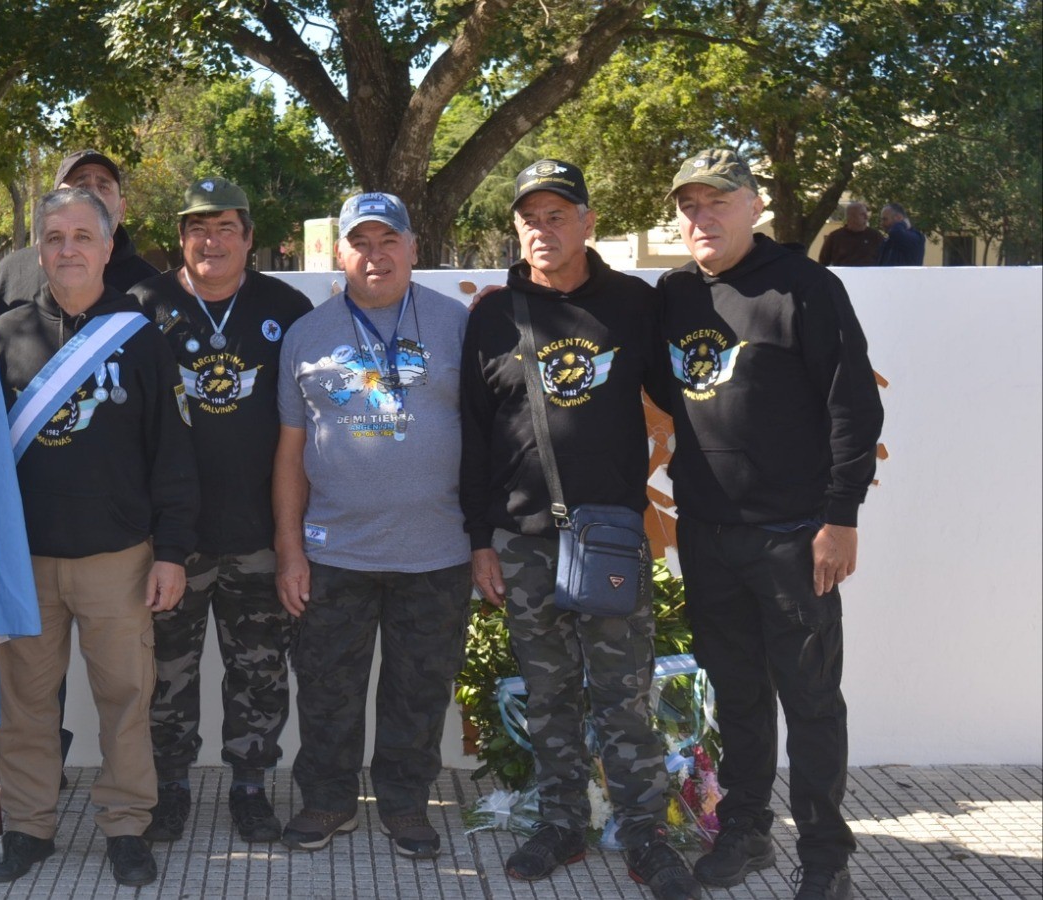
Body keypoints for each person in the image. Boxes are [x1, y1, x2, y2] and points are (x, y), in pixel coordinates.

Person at [461, 160, 699, 899]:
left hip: (609, 540)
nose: (542, 228)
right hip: (525, 542)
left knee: (622, 694)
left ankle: (645, 835)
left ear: (588, 223)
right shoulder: (494, 315)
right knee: (548, 692)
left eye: (557, 214)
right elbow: (475, 437)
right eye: (529, 217)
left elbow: (687, 398)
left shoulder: (632, 304)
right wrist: (479, 540)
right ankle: (560, 823)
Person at [660, 148, 883, 900]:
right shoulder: (673, 294)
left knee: (811, 701)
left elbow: (854, 404)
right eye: (690, 204)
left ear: (754, 206)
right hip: (708, 533)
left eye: (718, 201)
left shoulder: (806, 286)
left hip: (794, 536)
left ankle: (824, 858)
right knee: (738, 696)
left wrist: (841, 519)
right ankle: (747, 832)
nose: (703, 216)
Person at [0, 188, 198, 887]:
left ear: (108, 247)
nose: (68, 249)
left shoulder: (141, 337)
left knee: (127, 700)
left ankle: (128, 824)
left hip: (119, 559)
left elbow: (173, 456)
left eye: (83, 236)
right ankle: (28, 826)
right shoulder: (3, 334)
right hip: (25, 560)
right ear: (37, 248)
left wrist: (170, 553)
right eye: (54, 237)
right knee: (25, 703)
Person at [273, 192, 471, 860]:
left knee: (418, 692)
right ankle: (327, 800)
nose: (376, 254)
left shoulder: (458, 325)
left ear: (415, 249)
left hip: (437, 552)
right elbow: (291, 452)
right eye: (362, 242)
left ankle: (407, 805)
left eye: (390, 241)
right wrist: (289, 549)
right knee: (327, 690)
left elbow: (491, 438)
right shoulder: (307, 335)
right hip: (335, 552)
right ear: (340, 253)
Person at [128, 177, 312, 845]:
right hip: (170, 537)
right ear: (180, 239)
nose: (212, 240)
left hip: (259, 532)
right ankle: (170, 786)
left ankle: (251, 787)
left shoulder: (286, 308)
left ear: (249, 237)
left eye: (226, 227)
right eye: (198, 228)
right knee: (167, 674)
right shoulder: (142, 305)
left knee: (260, 670)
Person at [0, 149, 158, 321]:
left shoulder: (152, 288)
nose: (93, 194)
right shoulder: (10, 276)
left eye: (104, 186)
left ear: (122, 209)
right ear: (54, 201)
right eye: (80, 186)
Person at [816, 202, 883, 267]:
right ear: (851, 216)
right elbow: (823, 262)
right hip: (843, 276)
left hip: (869, 276)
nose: (866, 217)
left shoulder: (875, 236)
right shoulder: (835, 237)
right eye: (862, 214)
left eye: (866, 214)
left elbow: (884, 259)